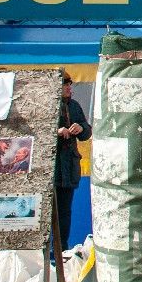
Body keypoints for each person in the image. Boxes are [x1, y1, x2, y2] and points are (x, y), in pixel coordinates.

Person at [55, 72, 92, 252]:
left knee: (65, 211)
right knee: (47, 212)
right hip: (52, 168)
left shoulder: (75, 106)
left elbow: (87, 131)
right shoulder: (46, 105)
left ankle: (62, 248)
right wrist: (57, 131)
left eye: (69, 83)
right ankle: (45, 249)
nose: (69, 87)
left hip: (69, 168)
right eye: (64, 84)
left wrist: (81, 128)